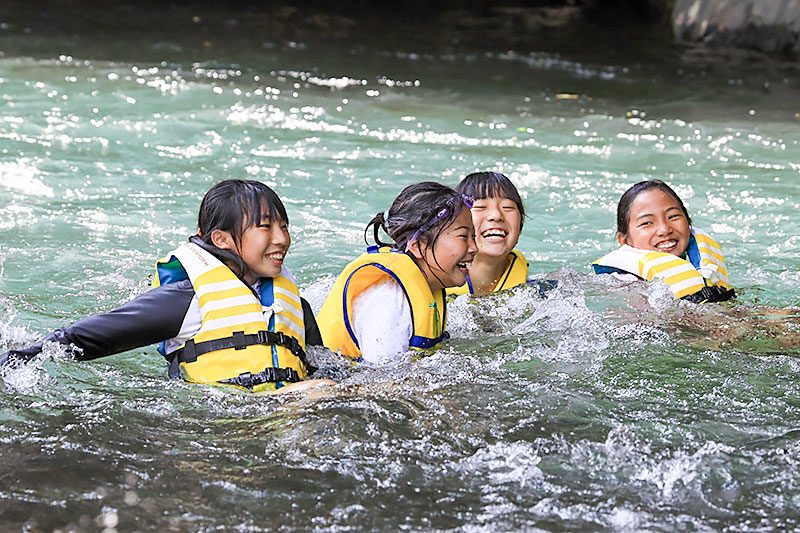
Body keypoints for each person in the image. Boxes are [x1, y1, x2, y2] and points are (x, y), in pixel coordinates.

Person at [0, 179, 335, 394]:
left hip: (280, 419)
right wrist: (17, 360)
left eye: (284, 226)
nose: (282, 239)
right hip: (212, 430)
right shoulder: (188, 300)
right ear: (220, 239)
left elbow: (326, 367)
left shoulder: (293, 306)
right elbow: (77, 340)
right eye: (266, 227)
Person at [317, 182, 477, 364]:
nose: (475, 247)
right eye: (464, 236)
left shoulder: (429, 287)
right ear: (418, 245)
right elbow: (382, 385)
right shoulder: (389, 301)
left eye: (474, 237)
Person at [592, 179, 736, 303]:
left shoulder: (704, 269)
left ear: (688, 222)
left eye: (673, 216)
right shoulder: (625, 284)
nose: (664, 229)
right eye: (647, 223)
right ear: (624, 240)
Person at [447, 171, 528, 297]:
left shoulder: (535, 292)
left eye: (507, 207)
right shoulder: (435, 287)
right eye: (480, 207)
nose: (496, 215)